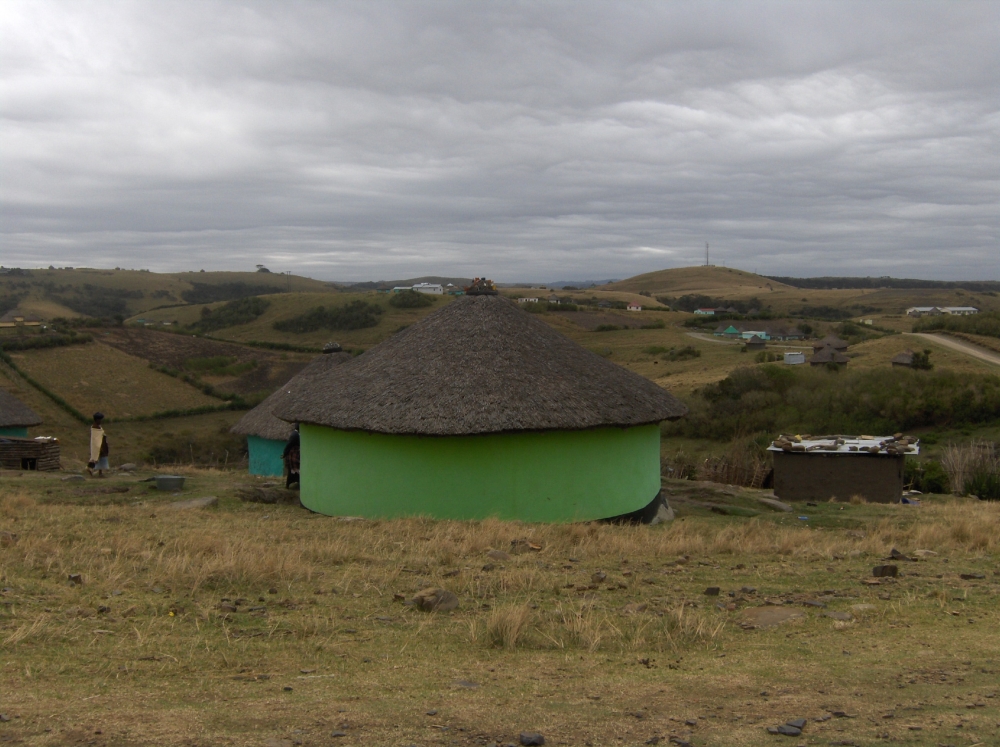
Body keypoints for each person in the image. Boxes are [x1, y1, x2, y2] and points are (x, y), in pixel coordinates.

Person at [88, 412, 109, 477]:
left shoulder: (98, 426)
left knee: (100, 458)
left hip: (102, 444)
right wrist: (99, 446)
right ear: (96, 420)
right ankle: (93, 470)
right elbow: (96, 438)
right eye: (99, 420)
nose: (100, 421)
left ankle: (99, 472)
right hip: (98, 445)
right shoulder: (95, 427)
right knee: (96, 458)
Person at [283, 424, 300, 488]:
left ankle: (291, 485)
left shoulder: (295, 434)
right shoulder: (294, 435)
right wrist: (285, 453)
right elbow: (289, 445)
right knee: (293, 470)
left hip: (294, 454)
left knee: (294, 471)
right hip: (293, 454)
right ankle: (289, 485)